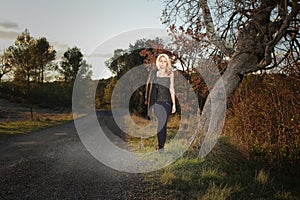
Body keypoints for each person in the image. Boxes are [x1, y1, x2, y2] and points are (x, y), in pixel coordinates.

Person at [145, 54, 176, 150]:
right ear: (158, 62)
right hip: (157, 103)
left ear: (167, 63)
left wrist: (174, 104)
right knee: (161, 122)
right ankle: (161, 147)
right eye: (161, 61)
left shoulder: (171, 73)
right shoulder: (154, 73)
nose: (162, 63)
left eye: (164, 61)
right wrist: (150, 103)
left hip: (167, 103)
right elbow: (149, 89)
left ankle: (161, 145)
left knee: (164, 124)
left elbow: (171, 89)